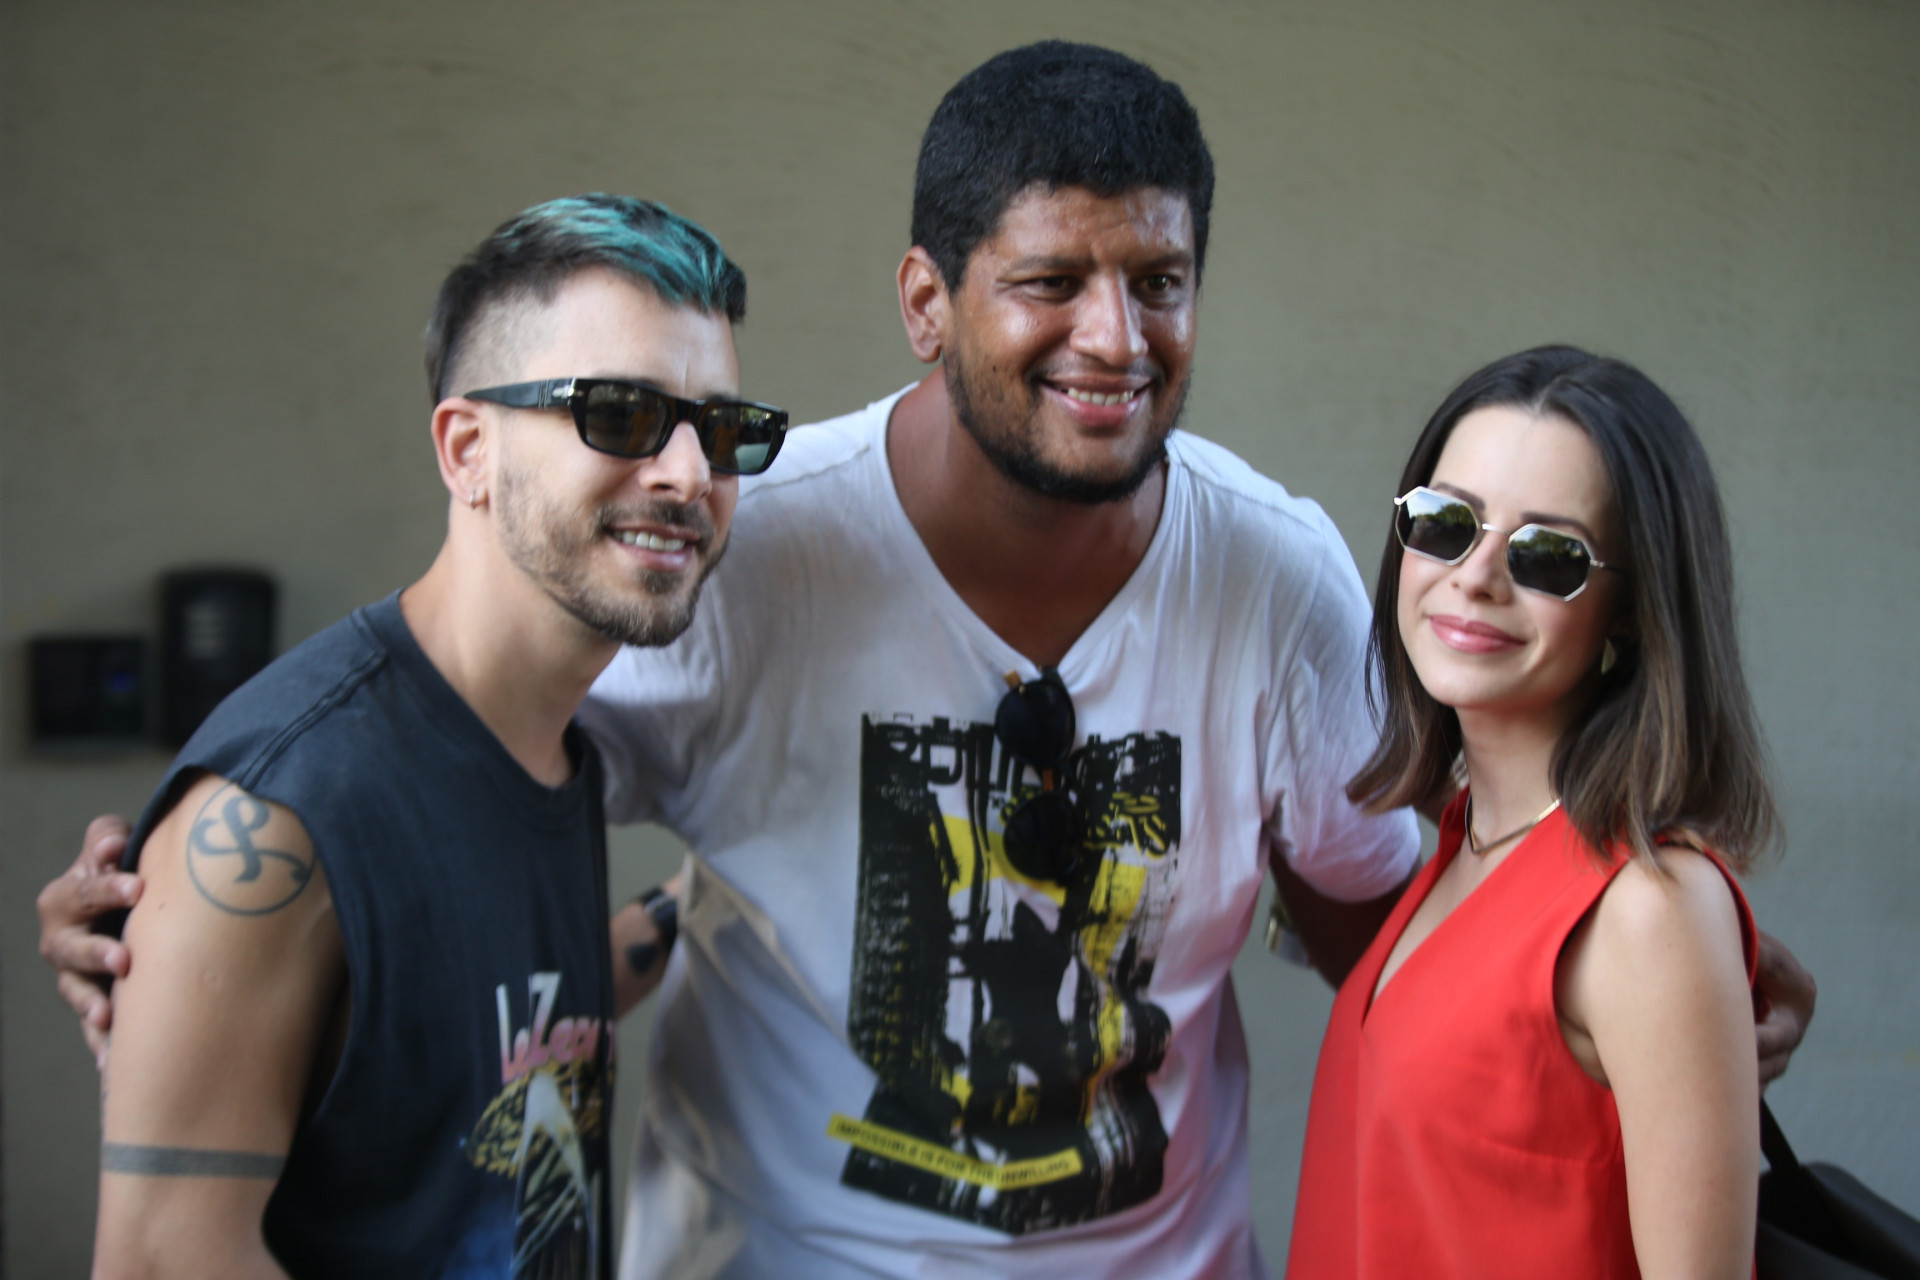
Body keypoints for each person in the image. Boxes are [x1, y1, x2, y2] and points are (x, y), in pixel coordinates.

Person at [40, 44, 1814, 1280]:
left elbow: (1380, 913)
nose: (1114, 338)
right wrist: (217, 930)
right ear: (926, 301)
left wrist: (1631, 982)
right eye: (1051, 280)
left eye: (1162, 279)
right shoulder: (743, 534)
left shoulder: (1270, 576)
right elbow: (454, 776)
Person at [84, 194, 786, 1277]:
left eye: (723, 429)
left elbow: (478, 1039)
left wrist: (748, 890)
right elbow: (161, 1260)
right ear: (467, 449)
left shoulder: (554, 746)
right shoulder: (284, 804)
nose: (690, 474)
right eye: (620, 413)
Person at [1288, 346, 1770, 1278]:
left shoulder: (1650, 910)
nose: (1474, 576)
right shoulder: (1470, 832)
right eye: (1444, 523)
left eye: (1547, 555)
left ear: (1632, 613)